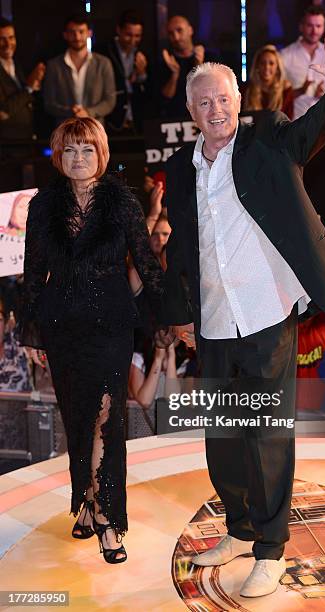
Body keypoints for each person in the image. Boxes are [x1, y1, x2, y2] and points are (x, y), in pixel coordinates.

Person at [159, 27, 325, 598]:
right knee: (222, 435)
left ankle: (270, 549)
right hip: (215, 319)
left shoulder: (269, 139)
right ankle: (240, 528)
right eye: (203, 102)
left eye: (223, 98)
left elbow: (314, 131)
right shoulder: (180, 169)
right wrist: (180, 313)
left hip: (268, 311)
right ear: (192, 112)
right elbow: (180, 249)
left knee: (266, 434)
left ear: (238, 102)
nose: (215, 109)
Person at [20, 117, 164, 563]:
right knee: (77, 417)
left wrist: (170, 319)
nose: (78, 159)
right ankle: (84, 498)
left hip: (109, 325)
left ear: (101, 154)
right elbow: (31, 274)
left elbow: (146, 262)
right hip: (61, 325)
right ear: (58, 157)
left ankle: (107, 517)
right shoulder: (43, 206)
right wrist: (30, 332)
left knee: (107, 417)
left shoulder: (123, 204)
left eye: (86, 150)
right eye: (69, 151)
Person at [43, 13, 116, 126]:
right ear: (65, 35)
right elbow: (49, 103)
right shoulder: (54, 65)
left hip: (95, 130)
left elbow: (110, 100)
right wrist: (71, 112)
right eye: (72, 32)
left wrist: (88, 112)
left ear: (89, 33)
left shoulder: (103, 63)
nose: (77, 37)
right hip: (65, 130)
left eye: (81, 32)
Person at [96, 10, 150, 133]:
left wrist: (141, 74)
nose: (132, 40)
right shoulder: (104, 51)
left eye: (137, 36)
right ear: (119, 30)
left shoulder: (143, 52)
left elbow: (149, 90)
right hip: (112, 118)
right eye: (128, 35)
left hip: (137, 119)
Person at [158, 15, 215, 118]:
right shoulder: (165, 62)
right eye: (171, 33)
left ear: (190, 30)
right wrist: (174, 75)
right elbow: (164, 99)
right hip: (175, 122)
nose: (176, 37)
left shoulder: (210, 57)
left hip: (206, 119)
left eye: (179, 30)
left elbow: (215, 93)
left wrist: (199, 67)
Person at [0, 17, 45, 146]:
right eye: (2, 39)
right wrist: (29, 88)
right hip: (6, 146)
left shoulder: (18, 64)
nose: (8, 44)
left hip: (27, 139)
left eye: (11, 38)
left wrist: (35, 84)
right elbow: (3, 112)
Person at [281, 6, 325, 119]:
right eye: (310, 25)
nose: (314, 31)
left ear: (324, 27)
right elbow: (277, 95)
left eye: (318, 26)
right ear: (301, 26)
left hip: (323, 124)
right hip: (294, 123)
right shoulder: (285, 55)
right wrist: (300, 91)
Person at [243, 44, 293, 118]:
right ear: (257, 66)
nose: (267, 67)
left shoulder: (285, 90)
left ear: (277, 68)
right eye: (262, 63)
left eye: (271, 63)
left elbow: (289, 121)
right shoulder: (246, 89)